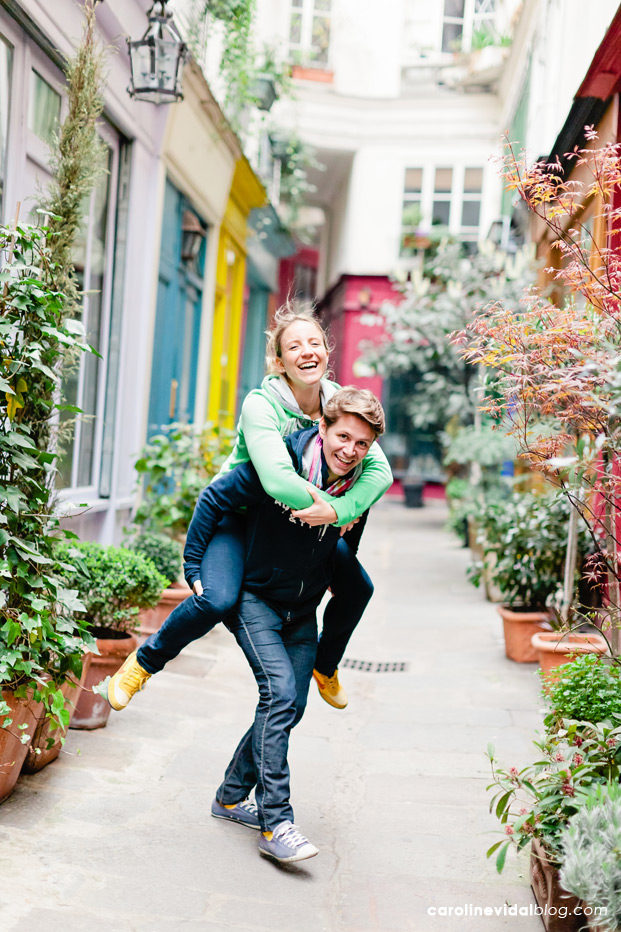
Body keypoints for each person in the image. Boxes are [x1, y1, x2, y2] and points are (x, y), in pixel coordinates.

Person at [107, 305, 392, 714]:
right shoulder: (262, 404)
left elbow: (379, 472)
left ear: (328, 351)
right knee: (217, 599)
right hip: (241, 514)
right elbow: (276, 479)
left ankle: (325, 666)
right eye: (294, 346)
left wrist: (341, 516)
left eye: (315, 342)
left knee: (358, 587)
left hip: (297, 523)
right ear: (280, 361)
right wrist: (340, 510)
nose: (307, 351)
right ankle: (142, 664)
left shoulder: (338, 404)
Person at [187, 387, 386, 862]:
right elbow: (215, 498)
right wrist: (194, 567)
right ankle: (277, 823)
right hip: (255, 598)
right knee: (278, 694)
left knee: (290, 707)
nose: (349, 450)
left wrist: (332, 573)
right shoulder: (279, 463)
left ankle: (231, 796)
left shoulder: (357, 485)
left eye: (361, 444)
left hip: (303, 609)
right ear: (323, 427)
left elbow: (348, 536)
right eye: (343, 436)